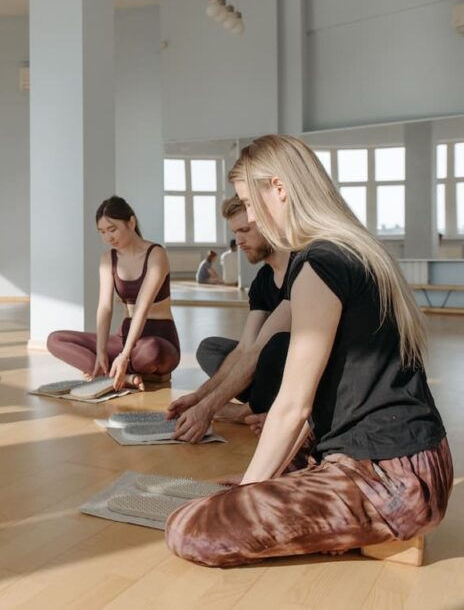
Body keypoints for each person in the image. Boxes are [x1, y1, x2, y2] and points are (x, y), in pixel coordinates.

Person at [165, 135, 451, 567]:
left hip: (392, 480)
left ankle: (367, 526)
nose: (251, 217)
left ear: (278, 188)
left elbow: (294, 405)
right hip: (408, 462)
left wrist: (250, 493)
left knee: (190, 528)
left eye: (248, 200)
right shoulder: (351, 251)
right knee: (233, 494)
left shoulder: (319, 263)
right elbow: (307, 387)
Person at [166, 195, 291, 442]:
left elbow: (257, 352)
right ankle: (264, 406)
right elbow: (246, 347)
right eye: (236, 232)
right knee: (210, 348)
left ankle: (247, 411)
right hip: (270, 372)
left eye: (245, 230)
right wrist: (199, 397)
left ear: (270, 224)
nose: (239, 241)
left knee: (273, 348)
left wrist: (208, 408)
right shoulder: (262, 281)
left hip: (303, 372)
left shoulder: (302, 267)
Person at [46, 196, 180, 391]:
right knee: (55, 339)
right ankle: (121, 375)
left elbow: (142, 307)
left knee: (152, 350)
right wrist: (101, 351)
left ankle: (113, 369)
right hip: (124, 337)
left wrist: (125, 355)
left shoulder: (156, 254)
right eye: (102, 232)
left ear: (131, 223)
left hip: (158, 338)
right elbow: (105, 307)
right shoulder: (108, 259)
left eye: (112, 229)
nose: (108, 238)